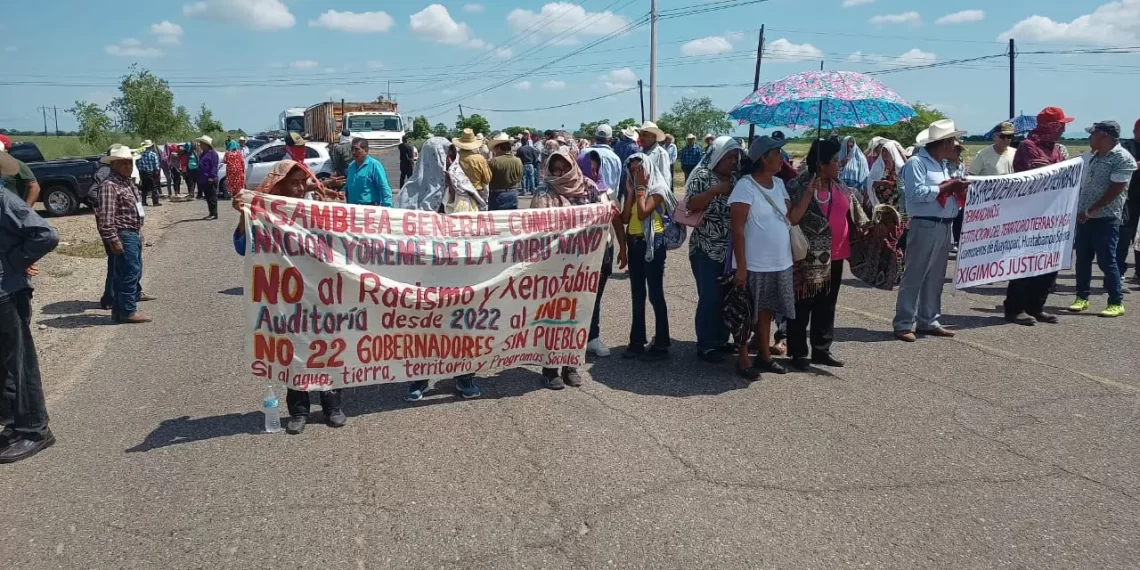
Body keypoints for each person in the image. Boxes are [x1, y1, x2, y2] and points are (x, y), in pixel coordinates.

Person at [230, 161, 347, 434]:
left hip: (321, 295)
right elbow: (242, 246)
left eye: (300, 183)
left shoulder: (314, 207)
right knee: (294, 351)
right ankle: (298, 410)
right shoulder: (266, 213)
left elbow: (344, 242)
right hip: (287, 297)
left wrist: (334, 208)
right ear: (278, 185)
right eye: (292, 183)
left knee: (327, 349)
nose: (297, 189)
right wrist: (244, 216)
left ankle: (333, 405)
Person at [399, 138, 484, 401]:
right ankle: (419, 378)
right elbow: (400, 233)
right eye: (441, 156)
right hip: (424, 275)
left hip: (460, 272)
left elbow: (480, 221)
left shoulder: (463, 185)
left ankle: (464, 376)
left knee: (461, 326)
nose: (447, 162)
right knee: (424, 327)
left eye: (450, 156)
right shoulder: (411, 191)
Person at [532, 150, 626, 388]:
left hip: (585, 265)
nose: (560, 172)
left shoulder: (589, 187)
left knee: (579, 312)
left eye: (564, 167)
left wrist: (609, 211)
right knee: (554, 314)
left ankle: (571, 364)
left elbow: (605, 213)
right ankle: (550, 367)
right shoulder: (544, 192)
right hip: (555, 265)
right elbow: (535, 226)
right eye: (555, 168)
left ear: (573, 165)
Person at [728, 136, 814, 380]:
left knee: (766, 310)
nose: (782, 157)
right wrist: (741, 267)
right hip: (754, 263)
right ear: (763, 158)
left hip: (780, 262)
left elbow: (792, 218)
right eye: (777, 153)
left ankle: (764, 356)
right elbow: (737, 229)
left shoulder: (778, 184)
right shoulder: (745, 186)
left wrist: (808, 193)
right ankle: (743, 359)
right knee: (746, 313)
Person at [784, 139, 869, 371]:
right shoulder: (799, 185)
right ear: (821, 164)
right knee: (802, 304)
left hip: (836, 254)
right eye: (833, 161)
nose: (838, 165)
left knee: (827, 304)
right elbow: (791, 217)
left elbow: (856, 214)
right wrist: (809, 194)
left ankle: (821, 349)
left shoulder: (840, 185)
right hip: (807, 256)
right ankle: (798, 352)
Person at [0, 152, 59, 464]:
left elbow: (46, 234)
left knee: (20, 363)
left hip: (8, 293)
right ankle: (14, 423)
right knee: (4, 363)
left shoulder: (3, 199)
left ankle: (35, 430)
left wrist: (14, 262)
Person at [892, 119, 969, 342]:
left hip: (944, 224)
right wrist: (948, 187)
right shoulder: (916, 163)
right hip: (925, 223)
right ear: (943, 143)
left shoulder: (942, 164)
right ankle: (904, 322)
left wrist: (957, 186)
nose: (955, 144)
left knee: (935, 276)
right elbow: (916, 194)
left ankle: (928, 319)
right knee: (915, 275)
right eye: (952, 140)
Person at [1002, 107, 1073, 325]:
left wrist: (1054, 167)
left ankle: (1036, 306)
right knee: (1026, 262)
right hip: (1030, 214)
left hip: (1053, 215)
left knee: (1048, 264)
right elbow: (1033, 177)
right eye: (1060, 125)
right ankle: (1015, 308)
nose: (1063, 129)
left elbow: (1064, 174)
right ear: (1050, 126)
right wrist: (1056, 169)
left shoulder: (1056, 149)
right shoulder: (1028, 146)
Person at [1068, 121, 1137, 318]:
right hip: (1085, 217)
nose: (1090, 137)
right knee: (1082, 259)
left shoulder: (1122, 158)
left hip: (1105, 218)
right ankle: (1082, 297)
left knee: (1107, 261)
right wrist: (1084, 211)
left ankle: (1116, 301)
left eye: (1093, 134)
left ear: (1105, 135)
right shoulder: (1095, 157)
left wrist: (1092, 210)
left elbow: (1116, 190)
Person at [683, 136, 741, 362]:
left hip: (731, 249)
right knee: (710, 296)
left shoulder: (738, 179)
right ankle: (705, 344)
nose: (733, 161)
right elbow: (690, 204)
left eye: (736, 157)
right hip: (705, 247)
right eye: (729, 157)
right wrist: (714, 191)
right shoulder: (703, 176)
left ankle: (720, 339)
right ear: (717, 156)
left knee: (727, 295)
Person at [621, 152, 675, 360]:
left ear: (649, 169)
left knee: (655, 293)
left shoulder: (658, 189)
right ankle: (636, 341)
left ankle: (662, 342)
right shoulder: (634, 190)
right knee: (637, 294)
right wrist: (629, 193)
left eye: (640, 169)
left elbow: (643, 213)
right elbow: (626, 218)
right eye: (633, 170)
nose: (636, 173)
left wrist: (641, 188)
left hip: (653, 243)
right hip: (634, 243)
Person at [578, 147, 627, 357]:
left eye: (597, 167)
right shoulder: (572, 191)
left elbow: (617, 219)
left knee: (595, 297)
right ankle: (572, 338)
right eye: (590, 167)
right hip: (579, 254)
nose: (594, 171)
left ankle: (592, 337)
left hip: (604, 250)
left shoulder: (606, 191)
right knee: (577, 297)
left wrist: (623, 249)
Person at [95, 146, 151, 324]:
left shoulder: (127, 182)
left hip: (132, 232)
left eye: (130, 162)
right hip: (123, 234)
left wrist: (139, 231)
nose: (129, 166)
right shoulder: (109, 186)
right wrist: (113, 239)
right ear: (114, 164)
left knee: (130, 271)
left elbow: (134, 209)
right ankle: (127, 311)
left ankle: (120, 311)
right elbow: (106, 217)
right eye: (124, 163)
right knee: (129, 272)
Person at [1117, 118, 1140, 282]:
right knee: (1124, 237)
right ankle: (1117, 273)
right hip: (1128, 199)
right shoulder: (1126, 146)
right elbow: (1122, 165)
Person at [344, 138, 393, 207]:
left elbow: (384, 188)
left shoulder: (374, 165)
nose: (353, 152)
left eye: (357, 149)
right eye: (352, 149)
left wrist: (387, 207)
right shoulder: (351, 166)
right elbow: (348, 186)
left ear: (366, 150)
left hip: (369, 209)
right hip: (353, 209)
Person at [452, 129, 492, 205]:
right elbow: (487, 179)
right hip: (476, 192)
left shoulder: (454, 157)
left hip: (458, 192)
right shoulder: (479, 158)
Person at [0, 137, 40, 207]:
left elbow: (34, 187)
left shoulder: (18, 164)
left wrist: (26, 209)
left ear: (6, 149)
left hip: (12, 211)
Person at [486, 132, 522, 211]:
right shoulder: (518, 161)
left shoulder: (494, 161)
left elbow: (487, 179)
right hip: (513, 193)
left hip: (497, 195)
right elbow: (519, 177)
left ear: (498, 147)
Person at [869, 139, 905, 208]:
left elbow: (905, 184)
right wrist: (881, 183)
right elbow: (869, 182)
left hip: (897, 202)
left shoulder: (899, 167)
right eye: (883, 151)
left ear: (892, 152)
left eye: (887, 151)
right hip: (880, 201)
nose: (885, 153)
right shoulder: (877, 166)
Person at [637, 121, 672, 191]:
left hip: (654, 195)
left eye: (644, 135)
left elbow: (666, 178)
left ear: (653, 137)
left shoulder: (661, 153)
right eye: (640, 135)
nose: (641, 138)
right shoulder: (640, 153)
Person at [196, 136, 220, 219]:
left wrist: (212, 177)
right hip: (204, 179)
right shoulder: (203, 154)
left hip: (210, 179)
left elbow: (214, 166)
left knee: (212, 197)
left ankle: (214, 214)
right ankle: (211, 213)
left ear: (206, 144)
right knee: (208, 197)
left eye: (201, 143)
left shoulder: (213, 154)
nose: (200, 145)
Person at [136, 141, 162, 207]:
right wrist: (157, 172)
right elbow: (156, 166)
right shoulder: (153, 154)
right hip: (151, 173)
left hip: (143, 173)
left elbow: (137, 164)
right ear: (151, 147)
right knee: (154, 187)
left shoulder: (140, 155)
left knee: (144, 188)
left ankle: (144, 202)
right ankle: (155, 202)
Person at [516, 131, 542, 196]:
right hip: (531, 165)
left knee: (523, 178)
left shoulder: (520, 149)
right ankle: (533, 190)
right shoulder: (531, 148)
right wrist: (534, 163)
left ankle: (524, 191)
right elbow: (535, 155)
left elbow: (517, 157)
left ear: (522, 142)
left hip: (523, 164)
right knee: (532, 178)